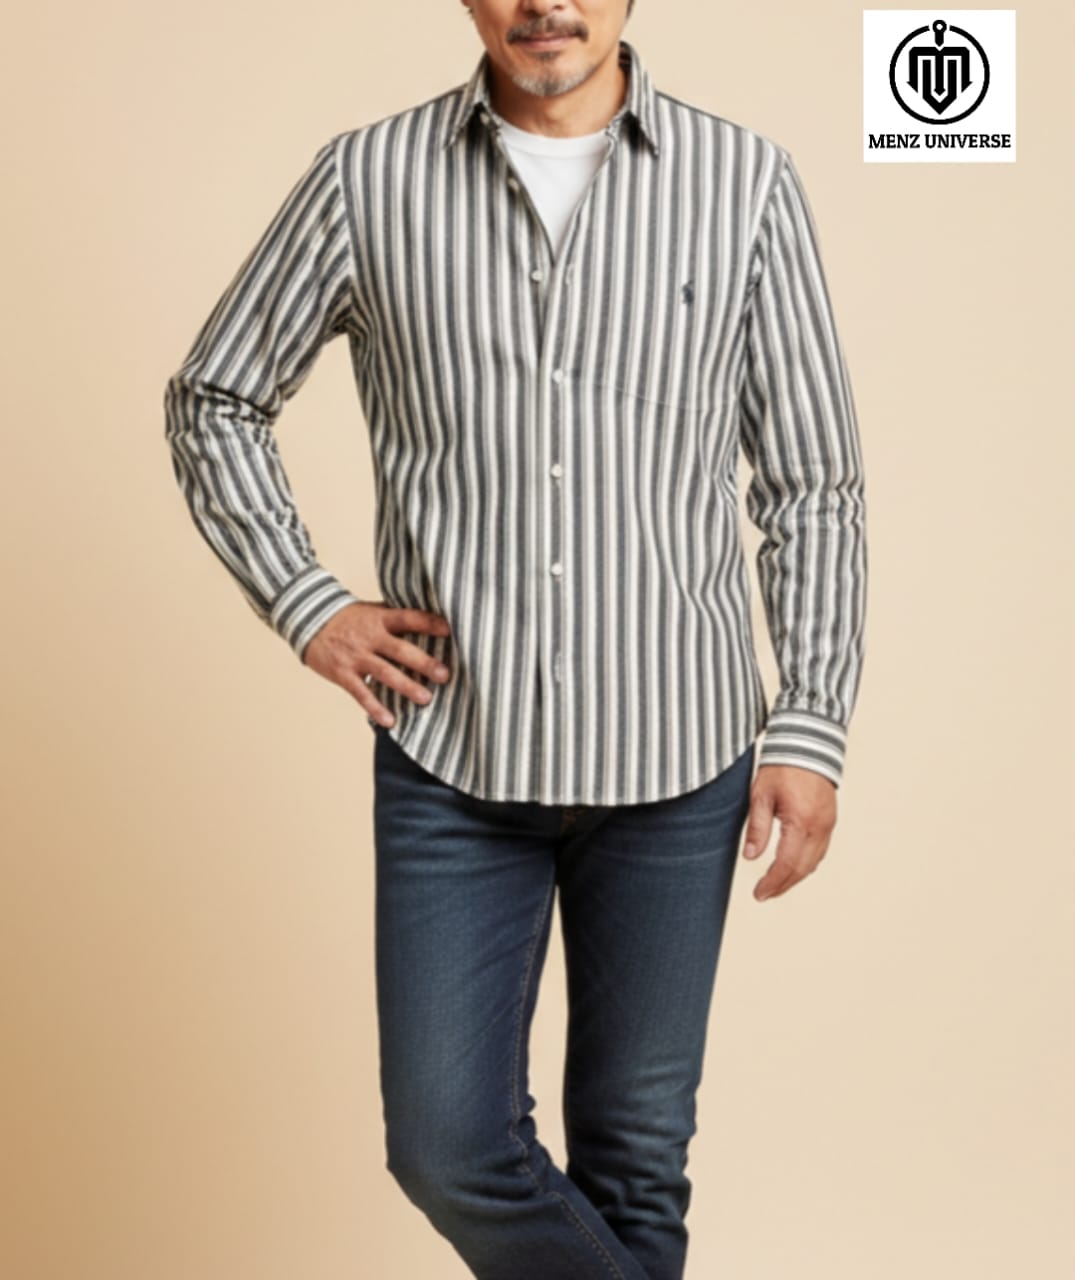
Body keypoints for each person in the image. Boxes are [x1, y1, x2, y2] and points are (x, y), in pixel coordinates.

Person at [163, 3, 867, 1277]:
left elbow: (811, 481)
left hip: (678, 752)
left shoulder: (745, 183)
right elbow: (215, 396)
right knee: (447, 1143)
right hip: (455, 756)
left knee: (636, 1154)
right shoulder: (366, 179)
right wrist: (306, 601)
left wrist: (810, 721)